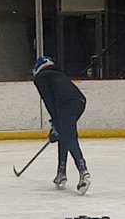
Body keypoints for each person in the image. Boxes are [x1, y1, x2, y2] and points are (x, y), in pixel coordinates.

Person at [32, 55, 90, 194]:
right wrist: (57, 125)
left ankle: (83, 172)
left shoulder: (40, 78)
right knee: (65, 133)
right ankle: (61, 172)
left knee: (68, 136)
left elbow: (49, 100)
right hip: (80, 101)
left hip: (65, 104)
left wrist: (55, 123)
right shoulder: (57, 74)